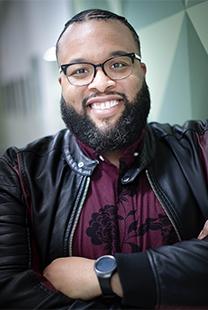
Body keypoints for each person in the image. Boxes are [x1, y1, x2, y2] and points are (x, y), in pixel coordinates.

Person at [0, 8, 208, 310]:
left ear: (142, 72)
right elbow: (11, 294)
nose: (100, 83)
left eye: (118, 64)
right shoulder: (17, 175)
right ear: (62, 83)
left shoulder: (200, 147)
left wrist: (104, 275)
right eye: (80, 71)